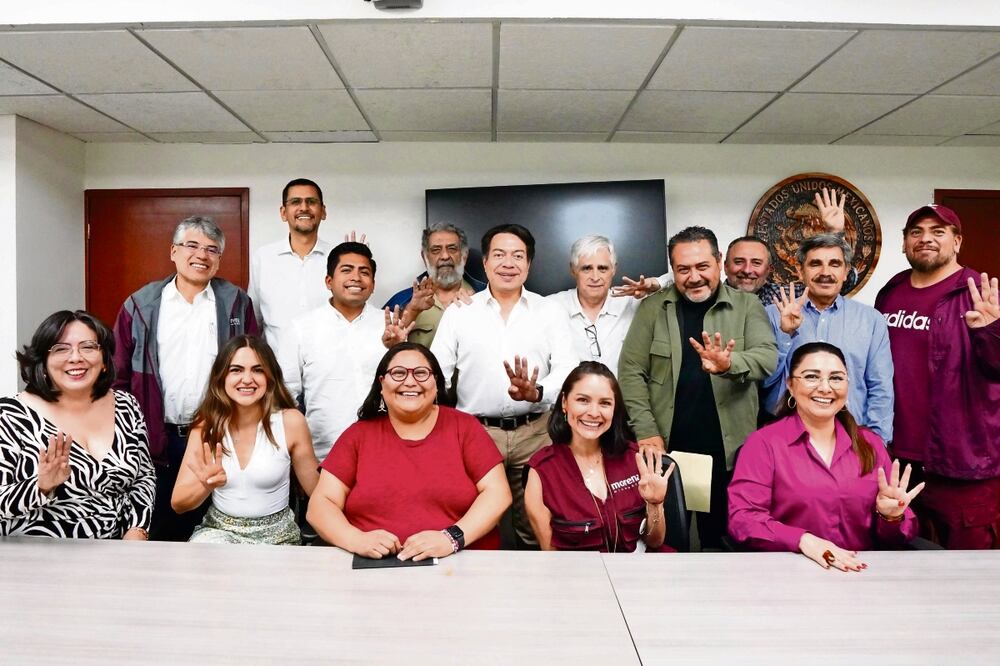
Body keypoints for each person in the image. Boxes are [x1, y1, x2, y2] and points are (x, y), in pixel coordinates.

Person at [618, 226, 777, 549]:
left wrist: (729, 365)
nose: (694, 277)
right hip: (668, 450)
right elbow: (631, 371)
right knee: (667, 542)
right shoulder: (653, 308)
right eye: (683, 269)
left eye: (702, 267)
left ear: (719, 261)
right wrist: (646, 430)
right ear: (672, 270)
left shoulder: (746, 306)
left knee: (722, 544)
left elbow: (767, 358)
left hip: (729, 453)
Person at [431, 223, 578, 548]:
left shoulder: (549, 312)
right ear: (484, 264)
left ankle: (539, 594)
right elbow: (435, 372)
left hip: (536, 434)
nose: (508, 263)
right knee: (477, 526)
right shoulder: (460, 313)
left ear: (529, 264)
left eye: (517, 255)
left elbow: (569, 370)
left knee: (536, 526)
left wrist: (536, 392)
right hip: (476, 436)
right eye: (498, 255)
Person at [112, 216, 258, 541]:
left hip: (218, 437)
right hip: (155, 440)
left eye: (212, 249)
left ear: (219, 260)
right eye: (192, 246)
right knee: (158, 527)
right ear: (173, 252)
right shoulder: (141, 306)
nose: (201, 255)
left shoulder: (235, 304)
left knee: (211, 531)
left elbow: (255, 368)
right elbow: (118, 378)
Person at [307, 342, 511, 560]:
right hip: (373, 568)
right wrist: (356, 539)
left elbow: (497, 493)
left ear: (436, 383)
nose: (410, 381)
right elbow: (321, 505)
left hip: (462, 564)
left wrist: (450, 539)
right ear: (381, 384)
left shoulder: (465, 428)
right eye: (398, 373)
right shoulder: (358, 435)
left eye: (421, 373)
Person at [728, 342, 922, 571]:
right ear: (790, 385)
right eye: (812, 376)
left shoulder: (870, 445)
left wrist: (890, 517)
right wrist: (803, 540)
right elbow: (743, 519)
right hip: (786, 575)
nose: (825, 388)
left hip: (859, 575)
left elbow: (899, 533)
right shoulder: (763, 444)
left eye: (837, 378)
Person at [875, 204, 1000, 549]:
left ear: (957, 241)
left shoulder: (980, 293)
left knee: (968, 572)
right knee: (900, 558)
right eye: (916, 232)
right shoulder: (892, 291)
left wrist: (992, 331)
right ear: (904, 243)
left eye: (938, 231)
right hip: (896, 458)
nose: (925, 239)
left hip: (961, 462)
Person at [1, 310, 155, 539]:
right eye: (61, 348)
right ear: (43, 362)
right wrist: (40, 486)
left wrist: (137, 529)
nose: (76, 357)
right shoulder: (10, 415)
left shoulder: (126, 405)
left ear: (104, 360)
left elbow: (144, 477)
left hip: (117, 555)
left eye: (88, 347)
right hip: (34, 555)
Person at [170, 335, 319, 544]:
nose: (247, 379)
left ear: (270, 377)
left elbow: (320, 493)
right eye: (236, 370)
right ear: (221, 377)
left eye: (258, 370)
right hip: (219, 533)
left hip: (278, 537)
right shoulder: (205, 426)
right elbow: (178, 503)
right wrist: (206, 485)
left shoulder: (291, 422)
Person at [524, 361, 676, 552]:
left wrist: (655, 504)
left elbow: (655, 542)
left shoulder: (635, 459)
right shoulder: (542, 471)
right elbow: (552, 557)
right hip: (580, 579)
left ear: (614, 409)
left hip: (641, 574)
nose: (594, 413)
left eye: (605, 403)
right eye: (583, 400)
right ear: (564, 402)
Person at [279, 241, 410, 461]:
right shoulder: (301, 328)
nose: (356, 278)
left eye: (364, 272)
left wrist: (398, 350)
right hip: (322, 456)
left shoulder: (390, 326)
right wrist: (299, 458)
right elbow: (285, 397)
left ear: (373, 284)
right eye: (347, 270)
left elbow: (409, 388)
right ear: (329, 281)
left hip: (387, 451)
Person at [763, 234, 893, 441]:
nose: (825, 273)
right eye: (815, 264)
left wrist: (878, 441)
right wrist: (786, 335)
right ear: (800, 271)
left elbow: (880, 387)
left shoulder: (871, 320)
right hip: (785, 438)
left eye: (834, 264)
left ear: (846, 272)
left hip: (852, 438)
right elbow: (764, 383)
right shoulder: (772, 314)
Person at [547, 235, 667, 375]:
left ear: (614, 269)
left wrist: (655, 283)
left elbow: (680, 277)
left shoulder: (630, 300)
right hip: (569, 395)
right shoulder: (552, 306)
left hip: (622, 395)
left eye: (602, 268)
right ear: (573, 270)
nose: (595, 277)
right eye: (587, 268)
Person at [248, 178, 335, 351]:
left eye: (311, 202)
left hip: (327, 367)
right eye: (295, 202)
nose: (304, 207)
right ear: (283, 212)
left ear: (323, 211)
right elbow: (253, 320)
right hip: (276, 370)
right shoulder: (263, 258)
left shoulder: (338, 258)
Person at [736, 188, 858, 305]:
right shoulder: (716, 294)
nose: (747, 270)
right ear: (724, 266)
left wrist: (835, 233)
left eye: (756, 263)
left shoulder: (781, 295)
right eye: (738, 261)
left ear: (769, 269)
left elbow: (844, 281)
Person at [382, 222, 487, 347]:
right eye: (436, 250)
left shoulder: (485, 295)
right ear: (425, 257)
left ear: (464, 256)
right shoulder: (400, 301)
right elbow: (380, 352)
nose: (445, 256)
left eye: (452, 249)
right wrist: (411, 311)